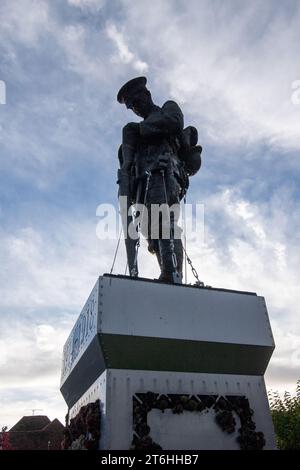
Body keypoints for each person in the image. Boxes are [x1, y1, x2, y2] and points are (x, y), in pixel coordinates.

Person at [117, 77, 201, 284]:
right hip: (141, 184)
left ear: (146, 95)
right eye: (132, 107)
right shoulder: (134, 131)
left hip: (163, 172)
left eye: (136, 103)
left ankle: (172, 274)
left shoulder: (167, 109)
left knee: (164, 220)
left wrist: (139, 129)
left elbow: (175, 123)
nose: (136, 109)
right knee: (150, 234)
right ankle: (168, 271)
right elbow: (127, 160)